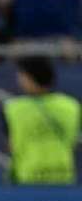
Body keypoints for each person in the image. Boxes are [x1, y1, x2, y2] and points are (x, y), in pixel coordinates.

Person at [4, 56, 81, 184]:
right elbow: (73, 138)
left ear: (29, 78)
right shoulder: (71, 106)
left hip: (27, 176)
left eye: (22, 76)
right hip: (63, 174)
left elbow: (11, 145)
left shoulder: (14, 108)